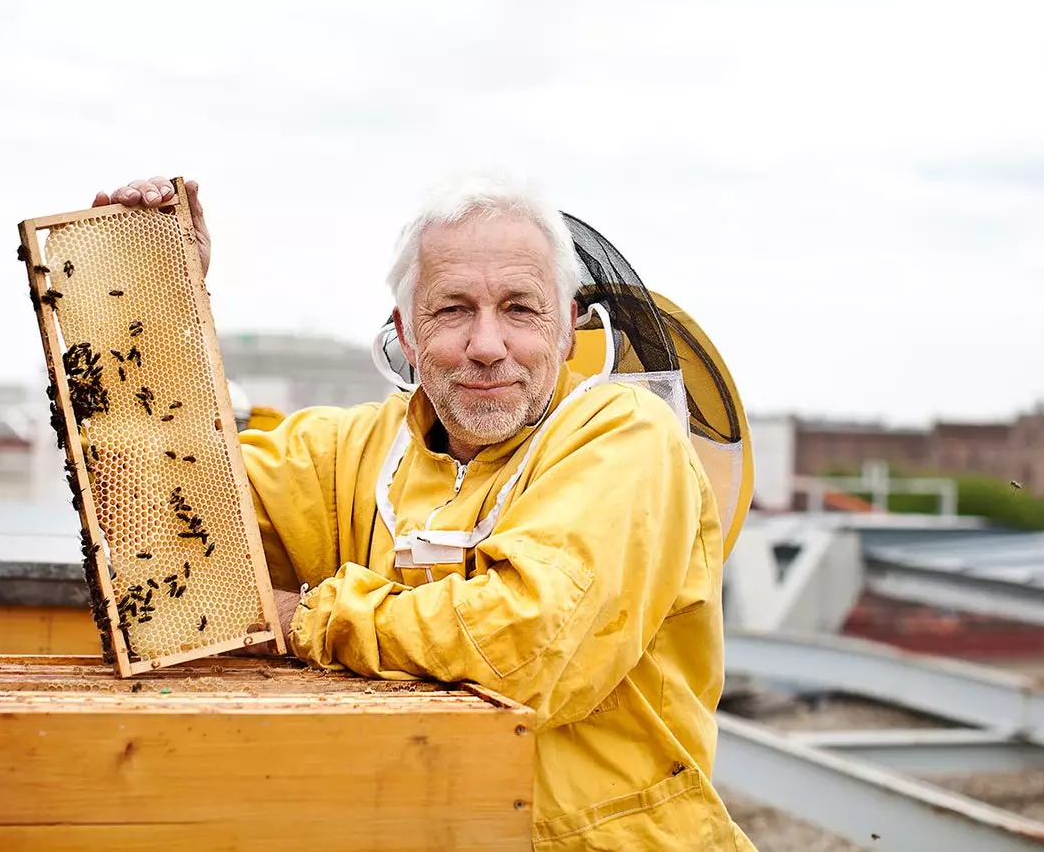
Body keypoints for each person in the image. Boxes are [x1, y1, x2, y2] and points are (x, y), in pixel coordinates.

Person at [95, 174, 755, 851]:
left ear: (567, 331)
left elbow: (523, 648)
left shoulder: (627, 434)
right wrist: (150, 292)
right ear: (406, 334)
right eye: (454, 309)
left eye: (521, 308)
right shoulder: (351, 450)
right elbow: (154, 507)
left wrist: (305, 619)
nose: (488, 344)